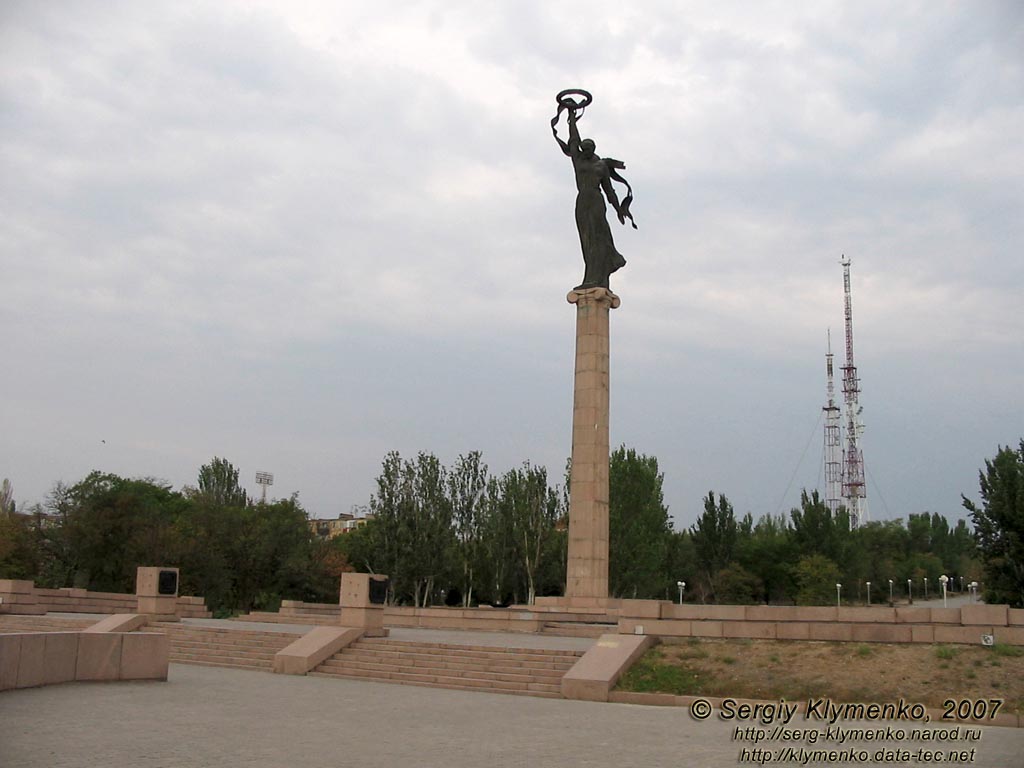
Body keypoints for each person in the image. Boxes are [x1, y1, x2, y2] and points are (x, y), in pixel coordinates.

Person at [552, 97, 636, 290]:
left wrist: (618, 209)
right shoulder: (578, 161)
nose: (586, 150)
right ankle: (591, 276)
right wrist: (571, 116)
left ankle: (600, 277)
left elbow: (609, 190)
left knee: (599, 237)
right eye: (584, 148)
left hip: (597, 201)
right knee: (586, 239)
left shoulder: (600, 167)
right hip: (582, 200)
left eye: (589, 149)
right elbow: (573, 138)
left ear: (594, 149)